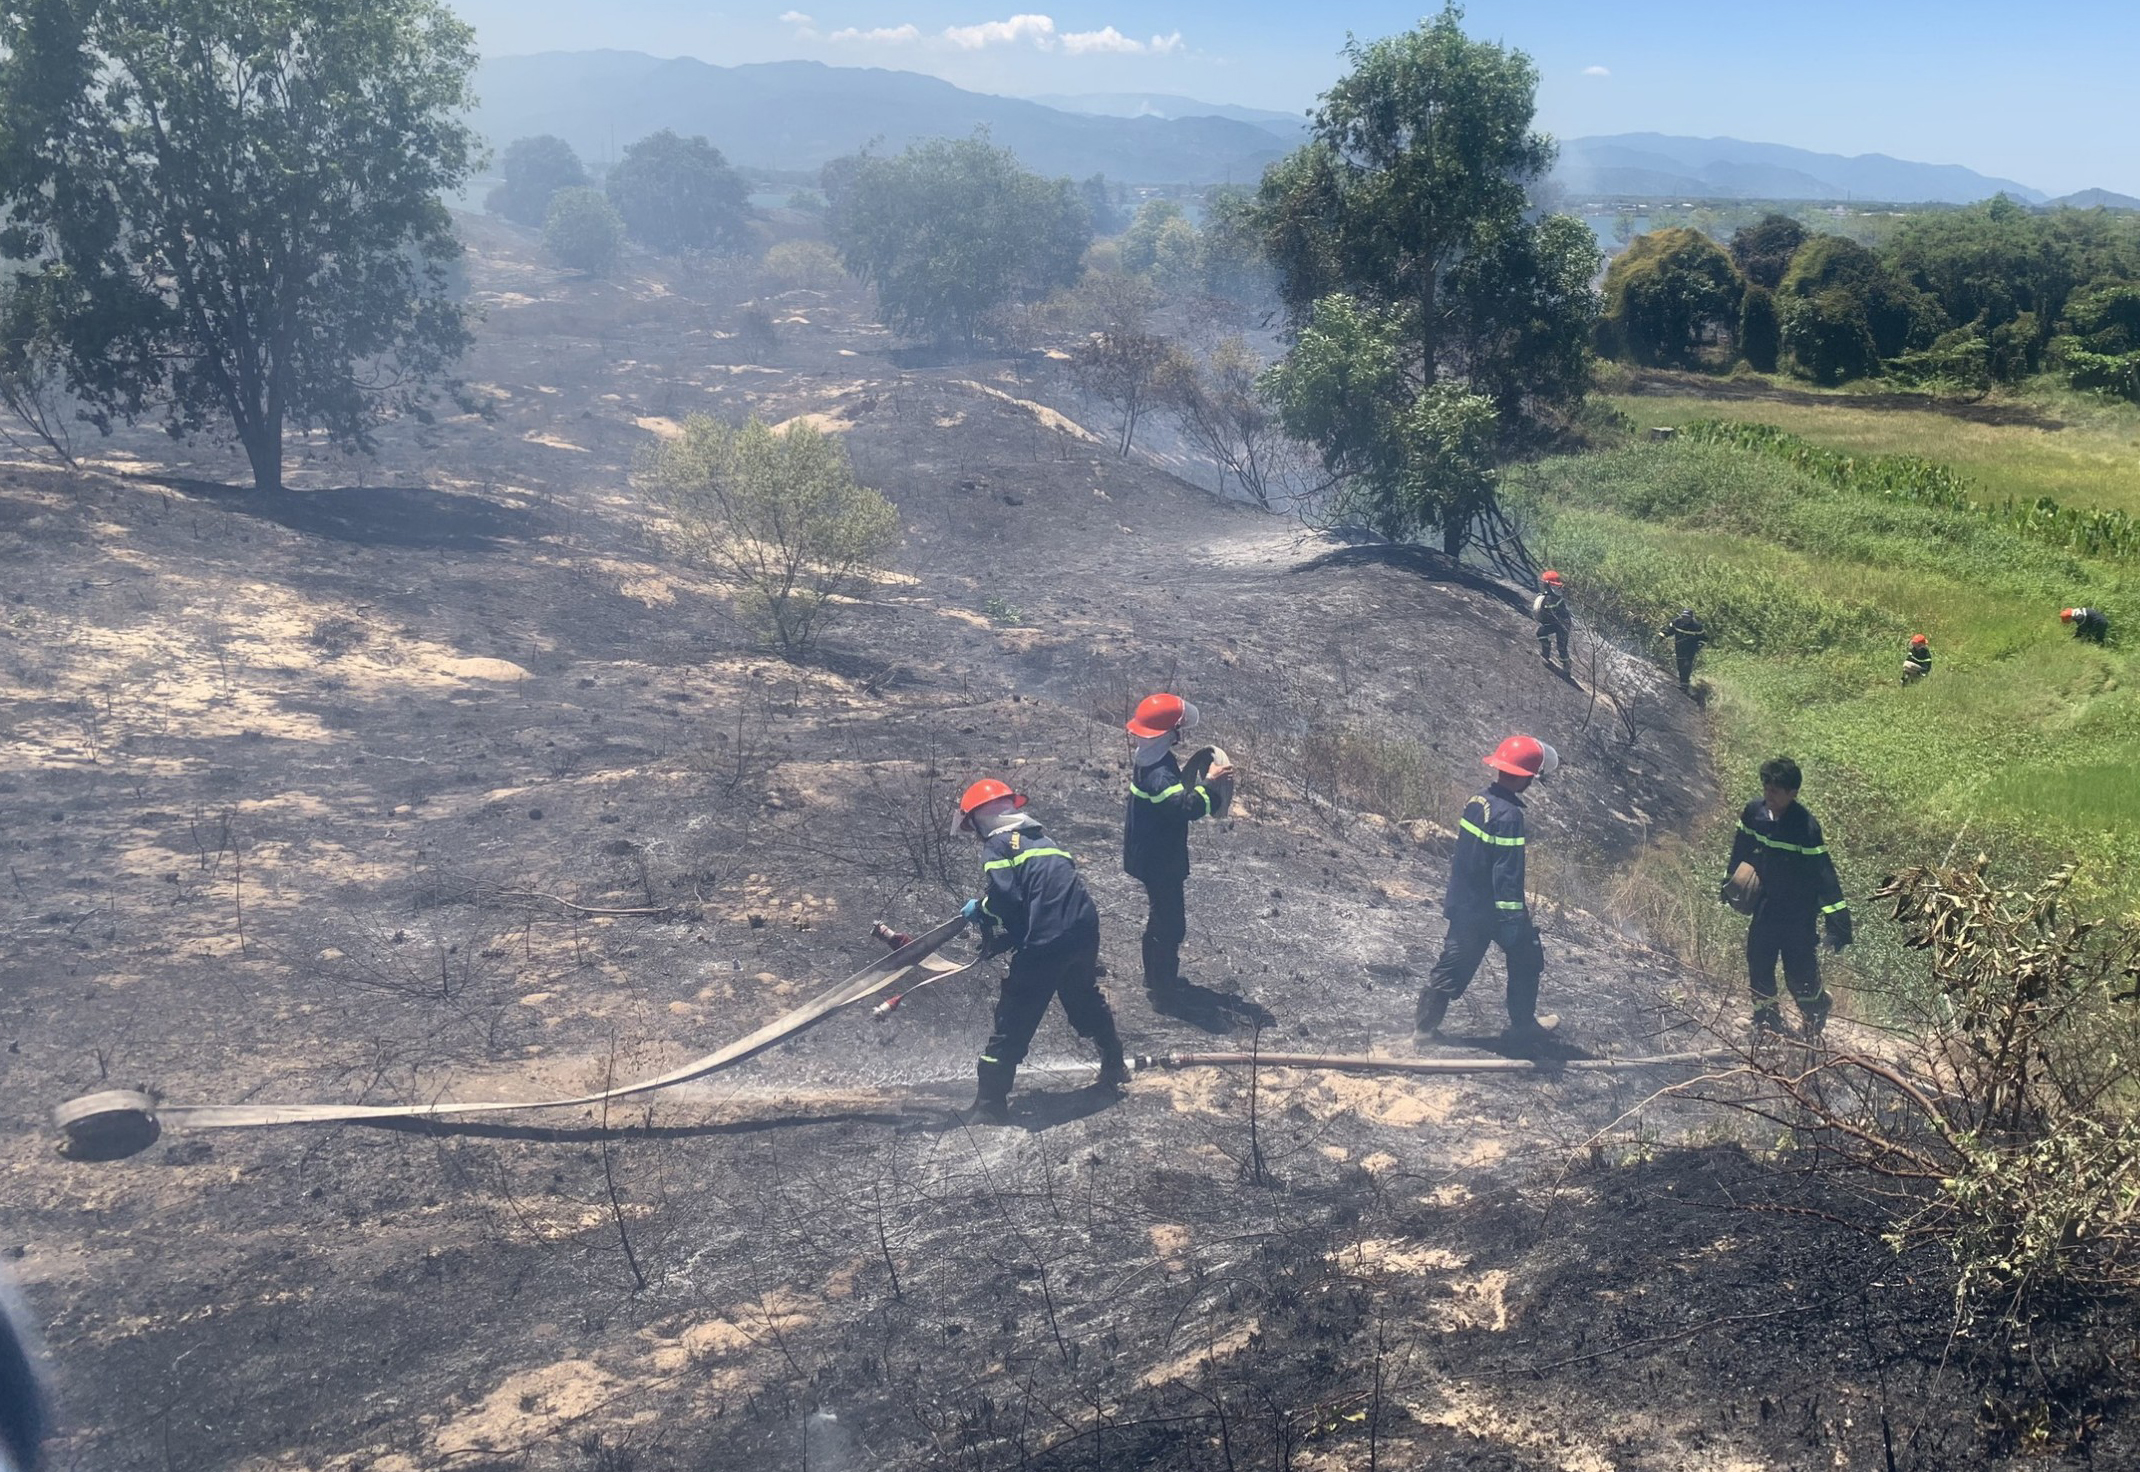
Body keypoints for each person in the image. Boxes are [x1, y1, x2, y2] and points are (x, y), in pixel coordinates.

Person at [955, 779, 1127, 1124]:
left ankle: (989, 1105)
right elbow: (1040, 897)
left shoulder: (998, 844)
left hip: (1048, 938)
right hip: (1083, 928)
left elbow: (1008, 899)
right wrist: (1009, 938)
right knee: (1081, 998)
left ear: (978, 819)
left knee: (1014, 1015)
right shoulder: (1042, 839)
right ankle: (1114, 1062)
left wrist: (983, 910)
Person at [1414, 735, 1562, 1051]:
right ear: (1526, 779)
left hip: (1466, 902)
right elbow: (1507, 875)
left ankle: (1424, 1031)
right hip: (1491, 909)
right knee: (1527, 956)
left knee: (1452, 965)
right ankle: (1523, 1026)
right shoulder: (1510, 817)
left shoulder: (1478, 801)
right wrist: (1512, 920)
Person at [1724, 757, 1851, 1037]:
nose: (1769, 794)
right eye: (1766, 787)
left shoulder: (1805, 827)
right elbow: (1741, 848)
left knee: (1799, 974)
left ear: (1793, 793)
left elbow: (1824, 875)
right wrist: (1730, 882)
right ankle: (1767, 1022)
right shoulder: (1754, 813)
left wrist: (1838, 923)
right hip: (1767, 906)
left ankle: (1816, 1011)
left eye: (1776, 790)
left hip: (1798, 914)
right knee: (1758, 961)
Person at [1122, 693, 1232, 1001]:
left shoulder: (1150, 759)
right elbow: (1185, 808)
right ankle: (1162, 988)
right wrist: (1210, 784)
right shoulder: (1160, 774)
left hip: (1147, 853)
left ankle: (1156, 978)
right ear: (1167, 733)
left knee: (1161, 917)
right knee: (1170, 924)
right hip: (1159, 860)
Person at [1656, 608, 1709, 691]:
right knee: (1680, 664)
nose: (1685, 619)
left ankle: (1685, 685)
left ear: (1691, 618)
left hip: (1691, 648)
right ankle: (1682, 682)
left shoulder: (1697, 626)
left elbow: (1704, 638)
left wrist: (1699, 645)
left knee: (1687, 665)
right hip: (1679, 647)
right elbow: (1668, 631)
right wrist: (1662, 636)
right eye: (1684, 617)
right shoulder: (1676, 622)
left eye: (1687, 617)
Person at [1534, 570, 1571, 668]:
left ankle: (1566, 666)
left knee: (1561, 647)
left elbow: (1554, 612)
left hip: (1563, 625)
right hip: (1555, 623)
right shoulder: (1548, 596)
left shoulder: (1554, 599)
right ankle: (1545, 654)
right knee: (1541, 633)